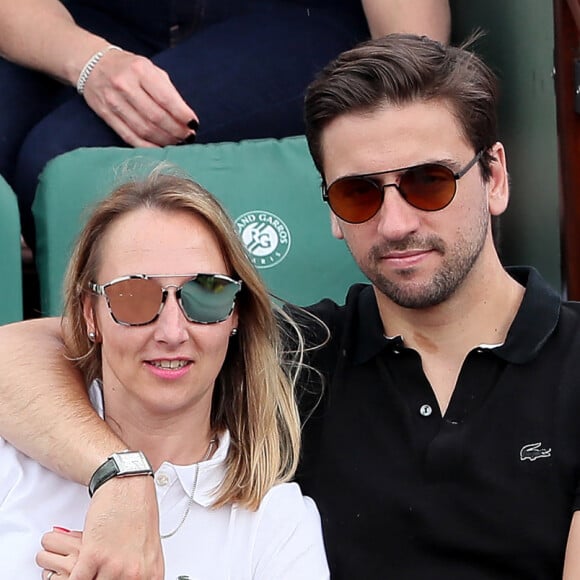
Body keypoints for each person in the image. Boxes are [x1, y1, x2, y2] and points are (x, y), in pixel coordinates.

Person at [3, 32, 577, 579]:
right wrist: (121, 477)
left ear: (495, 177)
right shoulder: (296, 355)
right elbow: (22, 356)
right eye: (359, 193)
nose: (396, 223)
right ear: (330, 207)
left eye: (429, 182)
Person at [0, 169, 329, 578]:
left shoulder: (278, 522)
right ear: (90, 315)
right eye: (134, 296)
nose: (172, 332)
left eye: (207, 294)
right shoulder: (11, 461)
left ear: (235, 315)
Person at [0, 0, 451, 247]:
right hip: (94, 17)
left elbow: (412, 32)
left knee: (63, 159)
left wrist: (409, 98)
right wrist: (91, 63)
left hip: (284, 19)